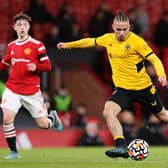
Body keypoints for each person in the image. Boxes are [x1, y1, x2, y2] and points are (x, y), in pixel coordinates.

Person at [57, 10, 168, 159]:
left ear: (129, 27)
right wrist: (68, 45)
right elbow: (90, 41)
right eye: (118, 30)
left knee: (163, 116)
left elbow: (155, 60)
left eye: (125, 29)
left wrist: (161, 75)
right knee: (108, 111)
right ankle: (121, 146)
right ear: (113, 27)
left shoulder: (137, 41)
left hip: (144, 88)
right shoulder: (108, 39)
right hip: (123, 89)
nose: (121, 33)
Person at [0, 12, 63, 159]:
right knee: (7, 118)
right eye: (19, 25)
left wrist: (36, 66)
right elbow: (4, 63)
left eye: (25, 24)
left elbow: (47, 66)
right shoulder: (11, 46)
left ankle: (53, 118)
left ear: (28, 27)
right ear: (14, 27)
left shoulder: (37, 45)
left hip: (31, 91)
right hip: (13, 89)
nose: (22, 27)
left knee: (43, 125)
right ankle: (14, 152)